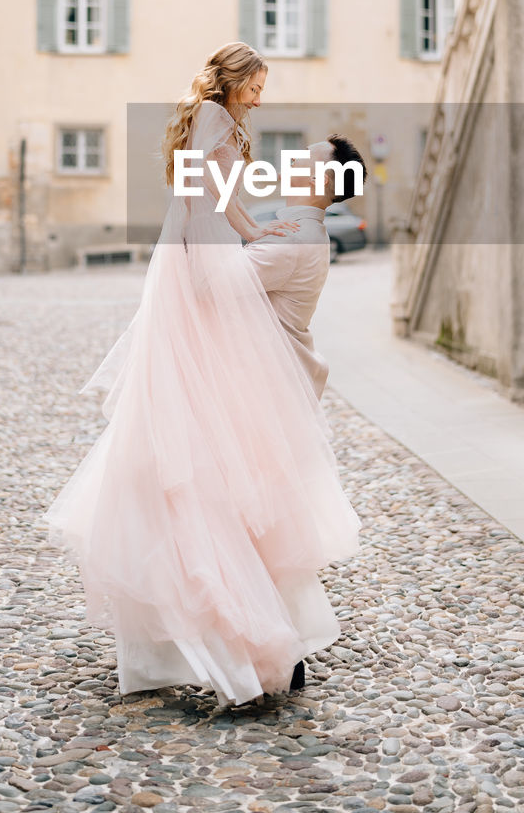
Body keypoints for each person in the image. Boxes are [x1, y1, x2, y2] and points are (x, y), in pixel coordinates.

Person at [43, 42, 360, 708]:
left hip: (205, 264)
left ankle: (245, 633)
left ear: (327, 185)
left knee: (194, 466)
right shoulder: (220, 126)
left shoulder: (295, 229)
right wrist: (226, 242)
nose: (261, 98)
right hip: (199, 254)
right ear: (235, 78)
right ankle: (249, 632)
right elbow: (205, 197)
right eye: (258, 86)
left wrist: (227, 245)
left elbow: (211, 209)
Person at [244, 135, 368, 402]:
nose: (290, 159)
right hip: (278, 377)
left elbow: (208, 284)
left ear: (318, 178)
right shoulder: (307, 232)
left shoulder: (292, 238)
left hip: (266, 386)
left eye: (301, 156)